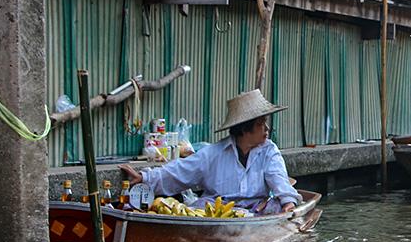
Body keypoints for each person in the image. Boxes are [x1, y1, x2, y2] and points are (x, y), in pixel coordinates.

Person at [119, 90, 299, 214]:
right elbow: (180, 171)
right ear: (245, 130)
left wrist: (288, 202)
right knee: (196, 208)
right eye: (261, 124)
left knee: (276, 206)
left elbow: (278, 178)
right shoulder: (213, 153)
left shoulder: (269, 151)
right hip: (217, 209)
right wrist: (145, 178)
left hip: (257, 208)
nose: (266, 129)